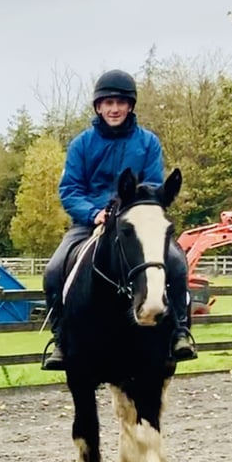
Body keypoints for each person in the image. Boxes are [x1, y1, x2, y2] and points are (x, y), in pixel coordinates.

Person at [41, 69, 197, 371]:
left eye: (121, 102)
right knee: (53, 269)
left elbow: (152, 185)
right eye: (108, 102)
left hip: (137, 222)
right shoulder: (82, 145)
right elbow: (70, 189)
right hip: (90, 223)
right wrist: (93, 212)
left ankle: (179, 331)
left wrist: (127, 212)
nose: (114, 108)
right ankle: (61, 339)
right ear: (98, 107)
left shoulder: (148, 143)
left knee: (177, 263)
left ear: (130, 106)